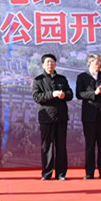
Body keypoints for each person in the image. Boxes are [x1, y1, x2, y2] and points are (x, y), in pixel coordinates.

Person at [31, 53, 73, 181]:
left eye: (52, 62)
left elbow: (70, 94)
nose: (50, 64)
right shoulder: (38, 80)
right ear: (43, 65)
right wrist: (52, 94)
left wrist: (64, 95)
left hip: (61, 117)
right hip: (46, 117)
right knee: (47, 146)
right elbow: (37, 97)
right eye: (47, 62)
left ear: (55, 64)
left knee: (61, 146)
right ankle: (47, 173)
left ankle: (61, 173)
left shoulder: (62, 79)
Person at [76, 53, 101, 180]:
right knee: (90, 144)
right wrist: (94, 93)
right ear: (90, 62)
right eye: (97, 61)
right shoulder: (82, 77)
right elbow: (79, 94)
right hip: (89, 115)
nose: (100, 64)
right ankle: (89, 172)